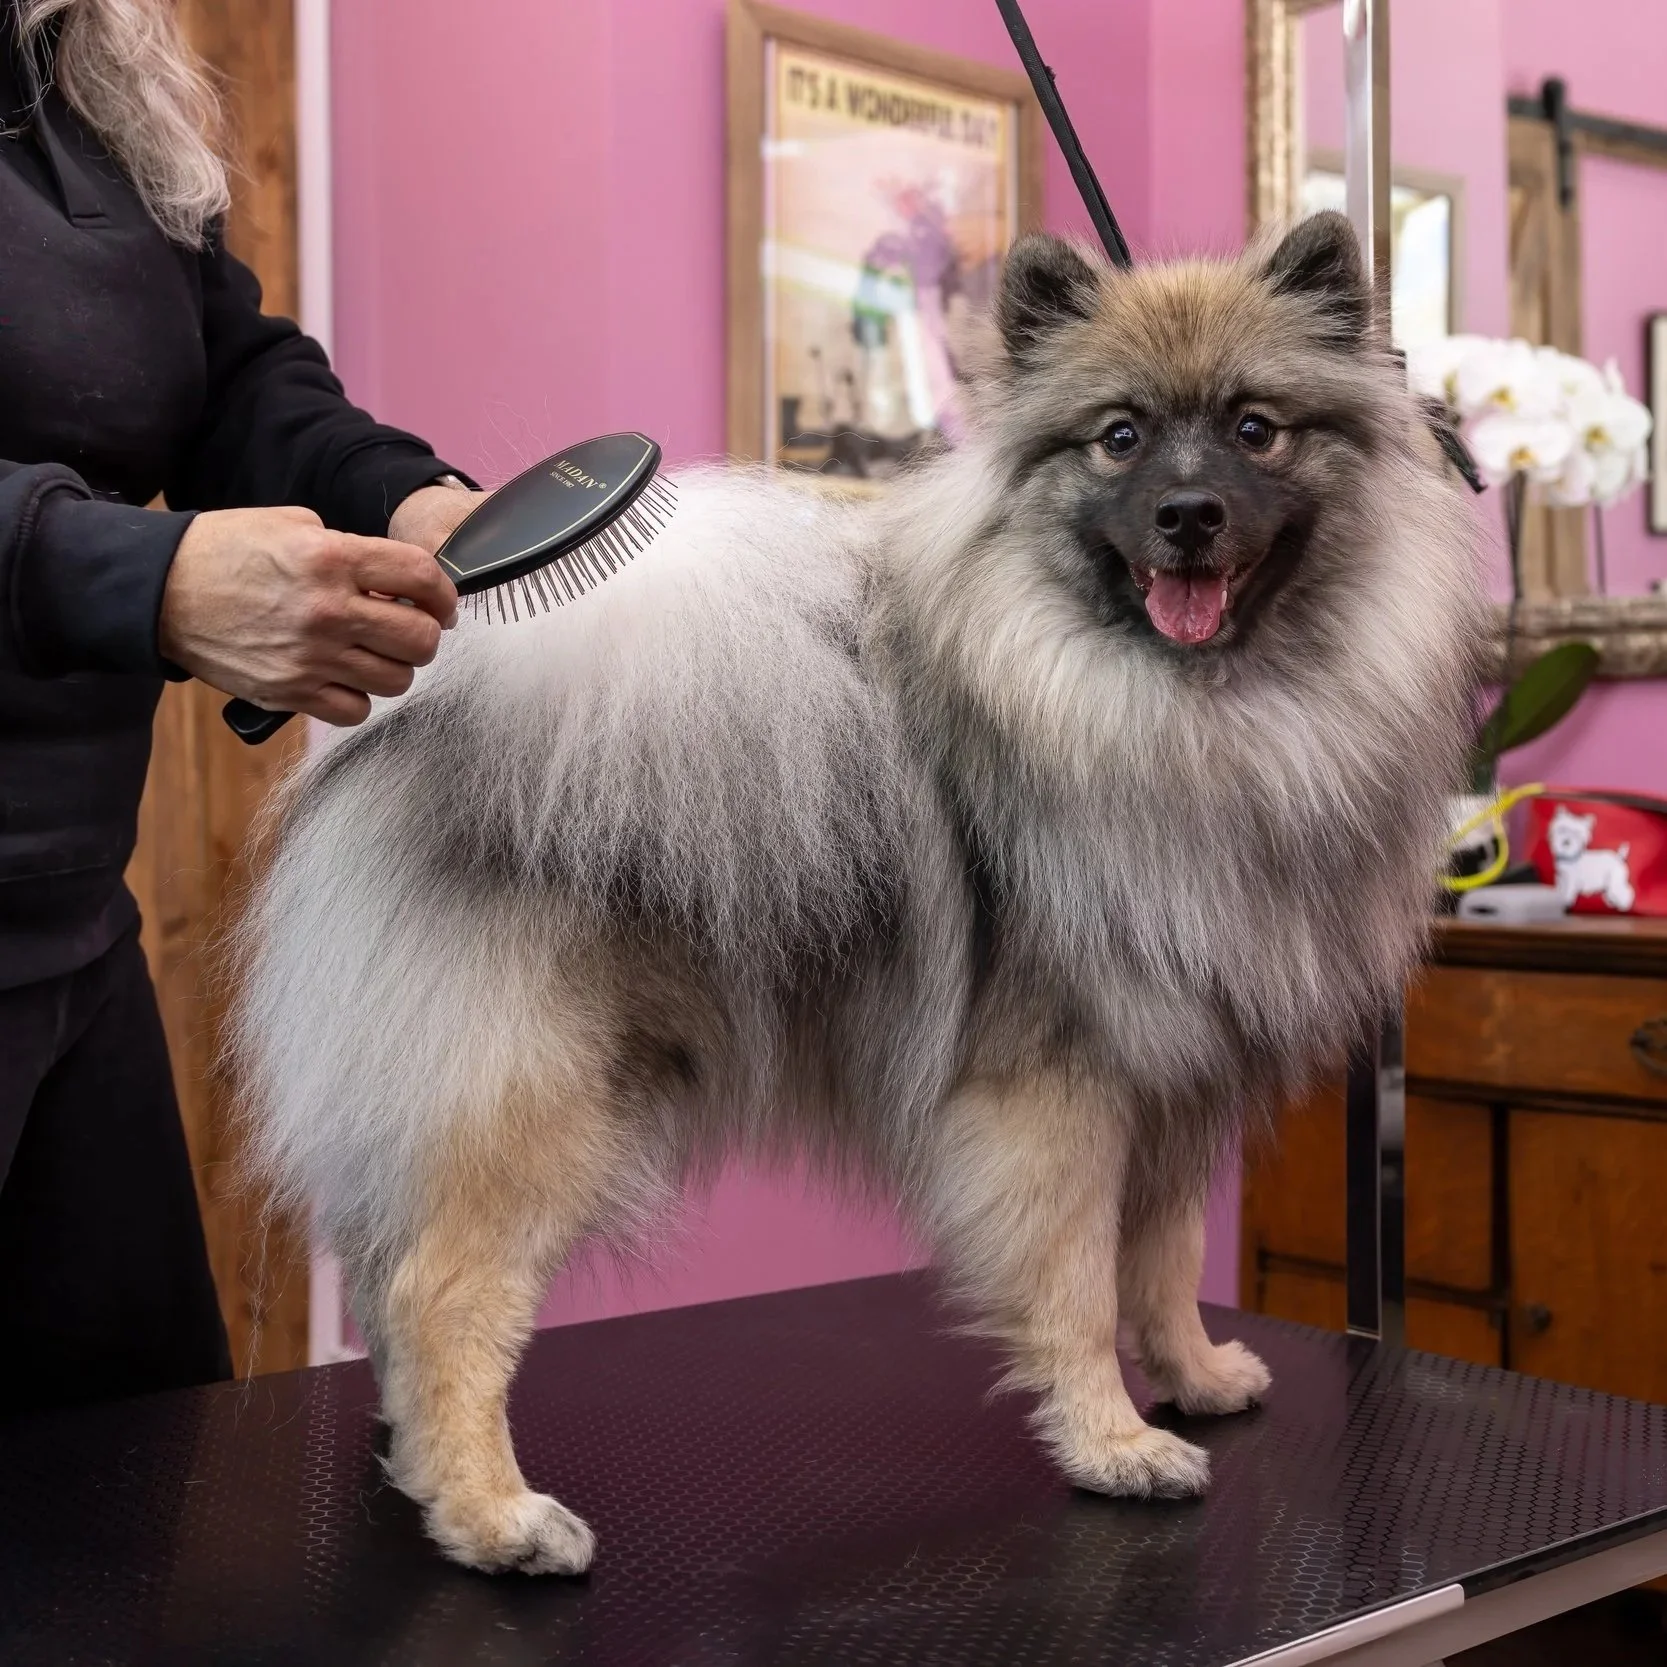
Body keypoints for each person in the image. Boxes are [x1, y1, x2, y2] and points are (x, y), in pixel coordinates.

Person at [0, 0, 485, 1411]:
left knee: (139, 1497)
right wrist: (141, 576)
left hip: (70, 940)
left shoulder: (78, 85)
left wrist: (413, 496)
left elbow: (233, 372)